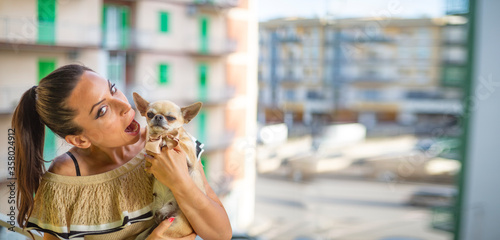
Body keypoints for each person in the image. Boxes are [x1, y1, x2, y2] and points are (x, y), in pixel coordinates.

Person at [11, 64, 232, 240]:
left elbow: (221, 234)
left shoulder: (172, 142)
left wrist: (180, 182)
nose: (125, 106)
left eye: (113, 88)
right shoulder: (66, 179)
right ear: (80, 139)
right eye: (103, 110)